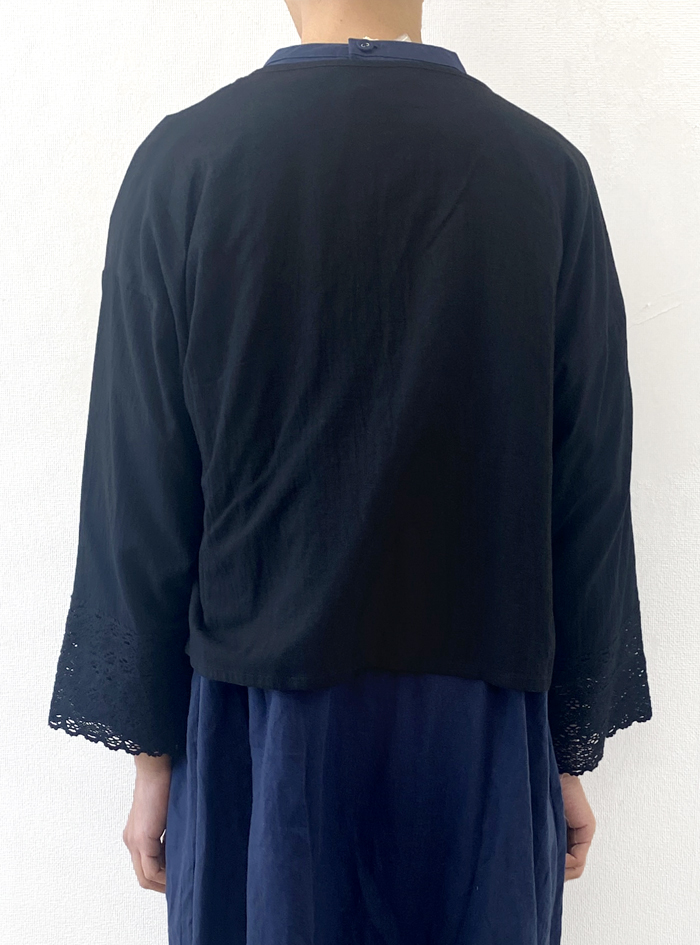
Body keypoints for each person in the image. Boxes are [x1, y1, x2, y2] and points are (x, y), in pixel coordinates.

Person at [48, 1, 653, 942]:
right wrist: (565, 753)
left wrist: (153, 762)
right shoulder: (544, 171)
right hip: (481, 727)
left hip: (260, 730)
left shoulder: (184, 163)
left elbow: (139, 485)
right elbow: (589, 485)